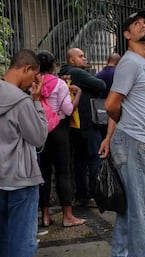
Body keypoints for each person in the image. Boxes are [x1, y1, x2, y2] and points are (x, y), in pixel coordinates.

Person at [98, 11, 145, 257]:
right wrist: (125, 130)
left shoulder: (138, 63)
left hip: (133, 140)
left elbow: (123, 104)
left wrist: (112, 136)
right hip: (136, 142)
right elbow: (112, 105)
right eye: (136, 24)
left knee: (129, 205)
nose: (143, 25)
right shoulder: (131, 64)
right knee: (141, 208)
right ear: (126, 34)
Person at [0, 49, 53, 257]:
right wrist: (36, 101)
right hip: (21, 177)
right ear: (27, 69)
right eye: (32, 76)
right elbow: (38, 137)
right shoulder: (21, 101)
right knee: (22, 237)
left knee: (3, 233)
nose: (32, 82)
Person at [37, 50, 86, 228]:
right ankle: (68, 215)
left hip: (40, 130)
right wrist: (78, 93)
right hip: (59, 129)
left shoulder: (34, 83)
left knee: (43, 174)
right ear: (53, 66)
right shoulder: (59, 84)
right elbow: (67, 110)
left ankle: (45, 215)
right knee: (63, 172)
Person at [58, 48, 106, 207]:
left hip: (73, 124)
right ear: (71, 60)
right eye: (80, 56)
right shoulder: (78, 73)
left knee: (80, 160)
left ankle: (82, 194)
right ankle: (94, 194)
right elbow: (101, 84)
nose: (84, 58)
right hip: (87, 123)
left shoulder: (63, 74)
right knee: (94, 158)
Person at [95, 52, 121, 138]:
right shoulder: (118, 75)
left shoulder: (97, 75)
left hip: (100, 110)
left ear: (108, 61)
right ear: (118, 63)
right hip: (115, 111)